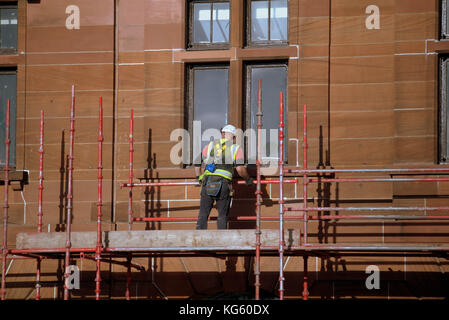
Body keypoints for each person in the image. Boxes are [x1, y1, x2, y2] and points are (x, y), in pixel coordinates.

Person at [194, 124, 254, 230]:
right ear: (234, 137)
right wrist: (248, 179)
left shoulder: (210, 145)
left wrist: (198, 177)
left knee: (203, 214)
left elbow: (197, 162)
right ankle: (222, 243)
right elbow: (240, 169)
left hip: (207, 182)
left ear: (222, 134)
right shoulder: (235, 148)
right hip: (224, 185)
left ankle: (198, 242)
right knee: (222, 215)